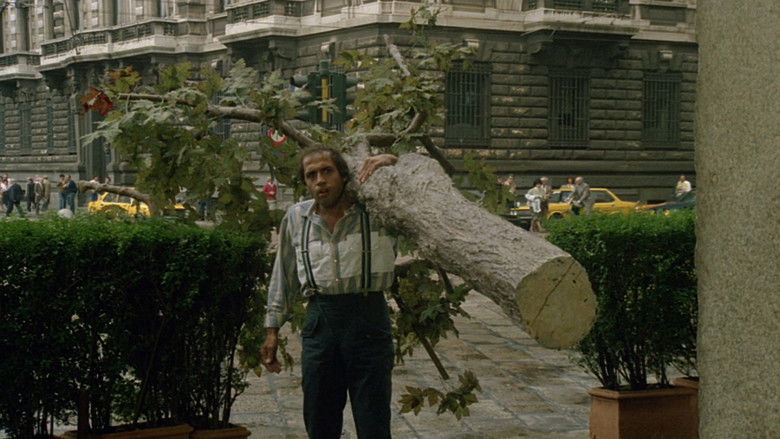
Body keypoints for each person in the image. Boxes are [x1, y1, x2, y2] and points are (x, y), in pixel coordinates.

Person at [261, 146, 398, 439]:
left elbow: (416, 186)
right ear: (305, 182)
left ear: (344, 175)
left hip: (369, 321)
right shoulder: (296, 217)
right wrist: (272, 330)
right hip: (320, 322)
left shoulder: (378, 210)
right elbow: (283, 275)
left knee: (373, 421)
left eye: (327, 171)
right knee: (319, 418)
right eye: (311, 175)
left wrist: (390, 161)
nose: (320, 180)